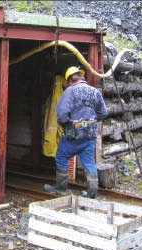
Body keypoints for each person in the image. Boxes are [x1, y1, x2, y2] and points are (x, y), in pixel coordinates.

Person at [44, 66, 108, 198]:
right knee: (89, 162)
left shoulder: (69, 92)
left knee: (61, 156)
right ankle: (91, 193)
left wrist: (67, 125)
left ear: (69, 81)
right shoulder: (95, 92)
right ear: (82, 77)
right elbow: (103, 113)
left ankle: (62, 188)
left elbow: (62, 115)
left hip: (73, 134)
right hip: (90, 135)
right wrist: (90, 121)